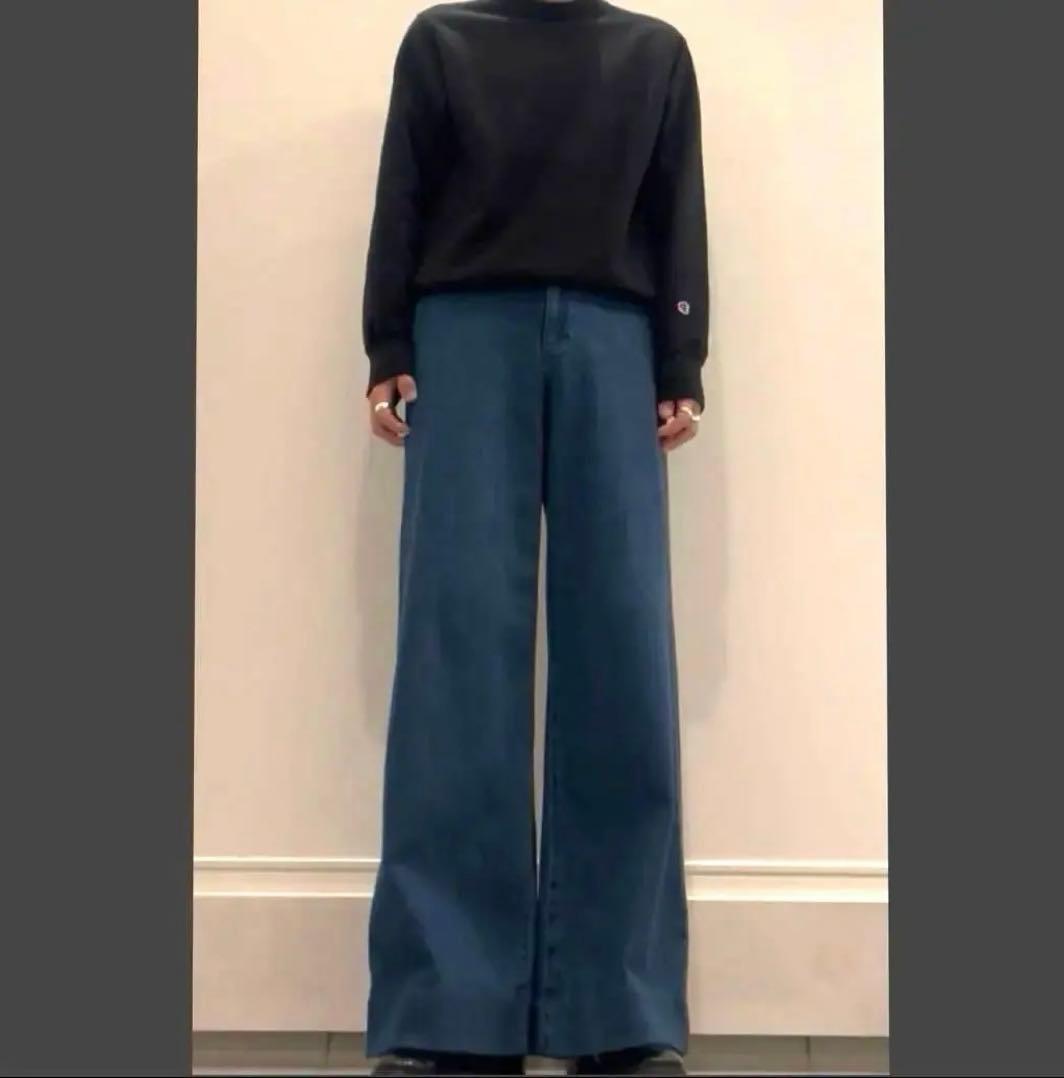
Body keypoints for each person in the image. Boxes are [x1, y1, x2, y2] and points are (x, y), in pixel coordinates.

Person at [361, 1, 708, 1074]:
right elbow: (403, 194)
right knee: (454, 658)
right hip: (462, 338)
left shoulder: (654, 52)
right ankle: (446, 1011)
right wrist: (387, 341)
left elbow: (675, 209)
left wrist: (681, 360)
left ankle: (621, 1008)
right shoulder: (442, 41)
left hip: (614, 338)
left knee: (623, 659)